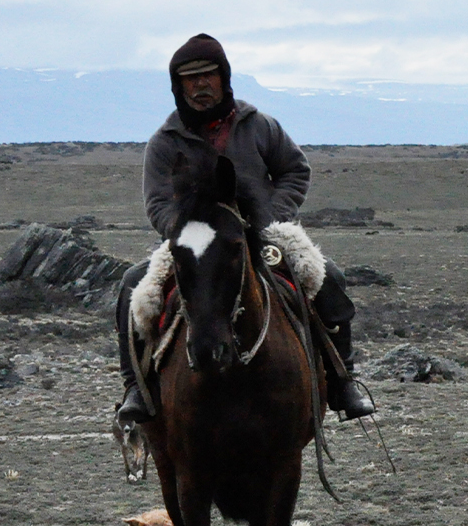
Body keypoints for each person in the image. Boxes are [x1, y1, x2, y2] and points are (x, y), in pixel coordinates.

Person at [115, 33, 374, 423]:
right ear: (177, 86)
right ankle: (135, 389)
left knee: (328, 276)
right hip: (195, 240)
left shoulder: (258, 126)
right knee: (133, 287)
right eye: (190, 79)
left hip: (263, 233)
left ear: (224, 77)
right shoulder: (165, 141)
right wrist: (184, 230)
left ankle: (343, 381)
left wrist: (270, 216)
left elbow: (294, 170)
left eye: (208, 75)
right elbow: (156, 202)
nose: (201, 85)